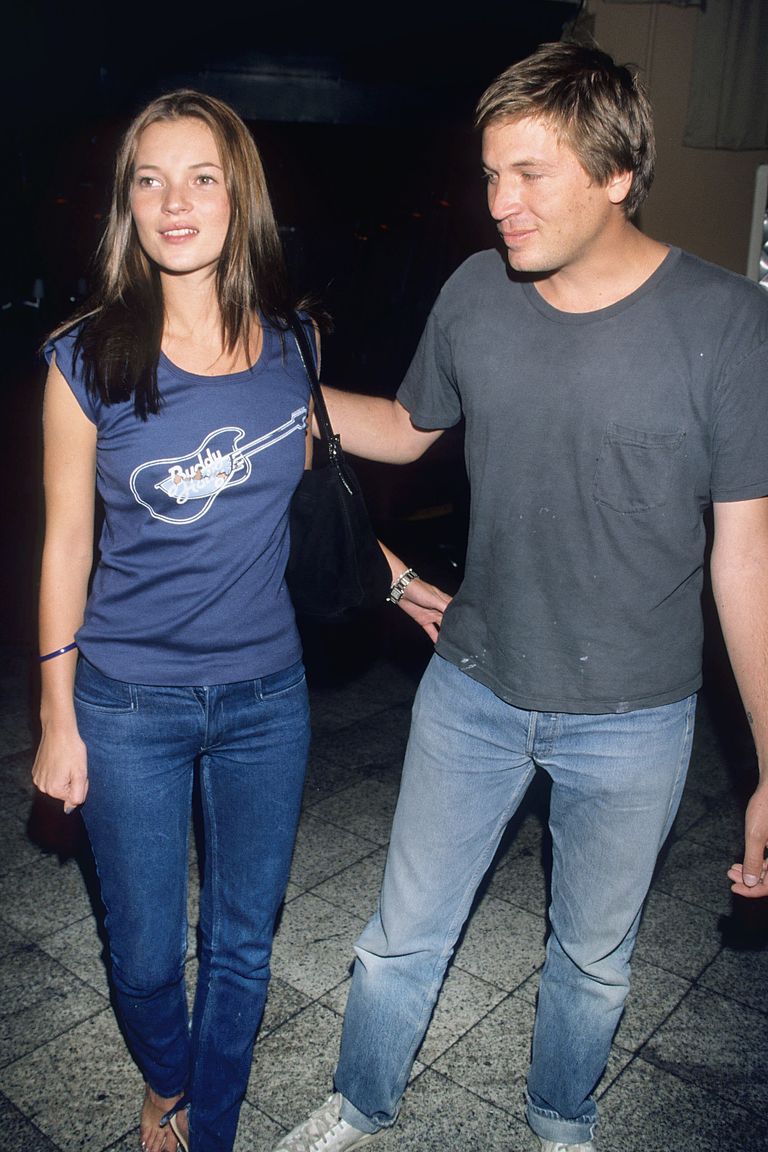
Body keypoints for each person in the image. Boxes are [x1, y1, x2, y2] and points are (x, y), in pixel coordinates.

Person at [272, 40, 768, 1152]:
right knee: (403, 933)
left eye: (530, 173)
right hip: (475, 683)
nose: (500, 202)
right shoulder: (475, 293)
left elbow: (748, 558)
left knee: (592, 961)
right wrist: (281, 386)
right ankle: (359, 1103)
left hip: (637, 715)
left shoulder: (729, 326)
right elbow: (405, 430)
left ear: (616, 173)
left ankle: (560, 1116)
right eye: (490, 173)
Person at [31, 89, 448, 1152]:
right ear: (127, 206)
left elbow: (365, 463)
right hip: (125, 703)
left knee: (243, 948)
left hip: (266, 699)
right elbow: (65, 546)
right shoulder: (84, 360)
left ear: (238, 197)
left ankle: (206, 1126)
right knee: (142, 955)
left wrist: (401, 583)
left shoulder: (288, 350)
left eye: (201, 176)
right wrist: (57, 716)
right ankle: (165, 1080)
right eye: (150, 179)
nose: (176, 202)